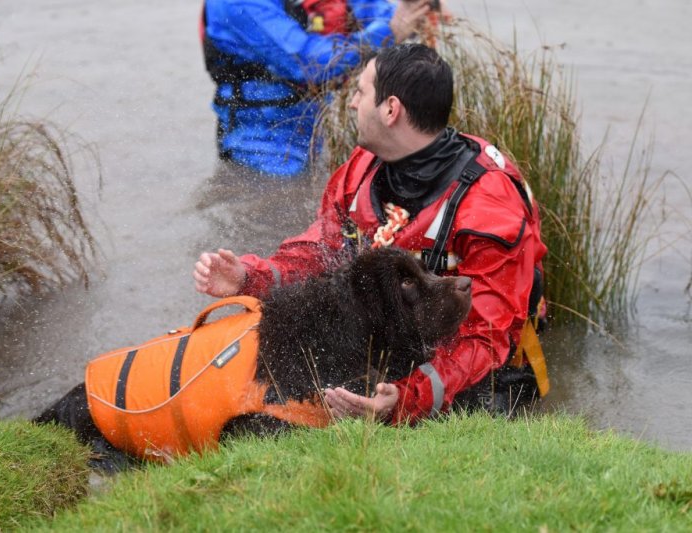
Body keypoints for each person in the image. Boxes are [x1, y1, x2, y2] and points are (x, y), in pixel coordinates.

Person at [193, 43, 549, 424]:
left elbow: (486, 337)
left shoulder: (488, 205)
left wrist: (407, 400)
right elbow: (321, 252)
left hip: (483, 366)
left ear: (391, 110)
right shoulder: (364, 167)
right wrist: (252, 277)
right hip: (409, 343)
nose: (351, 104)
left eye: (361, 93)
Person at [201, 0, 438, 177]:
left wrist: (415, 8)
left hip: (314, 131)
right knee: (268, 225)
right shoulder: (236, 3)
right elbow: (309, 63)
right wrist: (390, 31)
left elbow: (372, 9)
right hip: (259, 147)